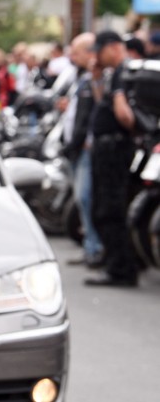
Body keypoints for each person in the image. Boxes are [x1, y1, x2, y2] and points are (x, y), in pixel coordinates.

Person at [84, 30, 139, 287]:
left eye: (100, 49)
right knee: (102, 207)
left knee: (109, 208)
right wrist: (97, 80)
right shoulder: (114, 74)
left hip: (113, 149)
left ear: (114, 47)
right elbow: (100, 107)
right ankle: (116, 263)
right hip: (106, 149)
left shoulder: (123, 73)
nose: (97, 55)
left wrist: (117, 94)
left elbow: (125, 118)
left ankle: (121, 268)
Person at [59, 33, 103, 268]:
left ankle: (95, 248)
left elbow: (100, 110)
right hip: (75, 148)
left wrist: (88, 139)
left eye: (75, 52)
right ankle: (90, 246)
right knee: (82, 199)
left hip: (85, 149)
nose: (71, 57)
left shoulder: (97, 78)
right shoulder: (81, 78)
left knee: (86, 198)